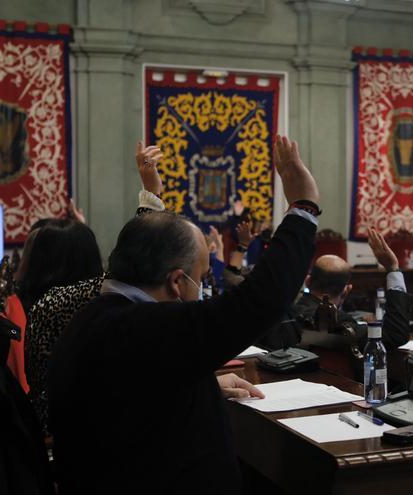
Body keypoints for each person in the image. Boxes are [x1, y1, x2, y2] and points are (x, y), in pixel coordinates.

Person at [46, 135, 319, 495]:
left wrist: (202, 384)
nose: (201, 289)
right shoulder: (146, 326)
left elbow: (134, 395)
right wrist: (303, 208)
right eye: (201, 279)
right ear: (176, 281)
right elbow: (259, 300)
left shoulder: (95, 317)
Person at [25, 141, 167, 435]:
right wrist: (151, 192)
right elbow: (136, 258)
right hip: (86, 429)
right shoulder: (81, 298)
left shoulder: (40, 303)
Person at [258, 229, 413, 351]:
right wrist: (393, 268)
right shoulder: (342, 325)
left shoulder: (282, 314)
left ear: (307, 281)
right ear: (346, 291)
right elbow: (395, 334)